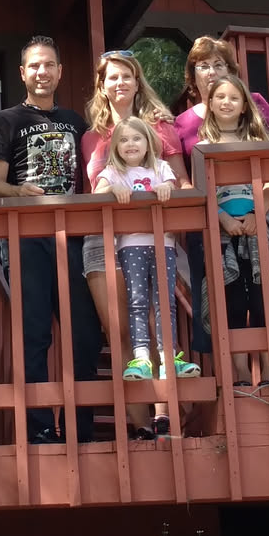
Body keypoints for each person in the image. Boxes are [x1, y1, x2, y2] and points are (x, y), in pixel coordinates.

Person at [0, 35, 106, 444]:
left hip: (73, 237)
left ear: (60, 71)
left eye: (49, 64)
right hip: (26, 238)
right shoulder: (6, 120)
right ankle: (39, 428)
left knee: (84, 334)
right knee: (34, 334)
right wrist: (19, 191)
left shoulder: (76, 122)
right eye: (34, 65)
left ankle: (79, 428)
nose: (42, 72)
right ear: (22, 73)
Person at [78, 50, 184, 360]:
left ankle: (165, 393)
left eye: (127, 76)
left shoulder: (160, 128)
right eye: (112, 77)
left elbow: (181, 182)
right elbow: (90, 189)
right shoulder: (90, 137)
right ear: (102, 86)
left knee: (154, 323)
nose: (120, 82)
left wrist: (174, 224)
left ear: (138, 83)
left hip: (149, 234)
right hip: (100, 237)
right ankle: (132, 394)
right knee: (120, 332)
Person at [190, 73, 269, 391]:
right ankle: (240, 375)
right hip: (222, 232)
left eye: (234, 98)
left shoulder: (258, 143)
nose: (227, 102)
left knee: (264, 302)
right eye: (220, 97)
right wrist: (223, 219)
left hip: (258, 227)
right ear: (210, 103)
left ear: (245, 106)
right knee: (232, 305)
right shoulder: (202, 147)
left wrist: (255, 214)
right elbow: (202, 191)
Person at [94, 119, 197, 415]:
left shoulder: (160, 167)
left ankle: (169, 357)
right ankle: (141, 357)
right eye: (124, 140)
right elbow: (98, 192)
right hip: (131, 243)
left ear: (149, 143)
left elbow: (172, 186)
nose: (131, 145)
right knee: (138, 301)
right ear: (115, 147)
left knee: (164, 302)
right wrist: (113, 188)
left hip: (163, 242)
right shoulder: (113, 171)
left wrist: (166, 188)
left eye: (137, 139)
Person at [172, 35, 269, 149]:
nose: (212, 72)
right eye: (204, 66)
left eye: (218, 65)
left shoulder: (253, 101)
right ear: (193, 75)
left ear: (229, 71)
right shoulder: (181, 123)